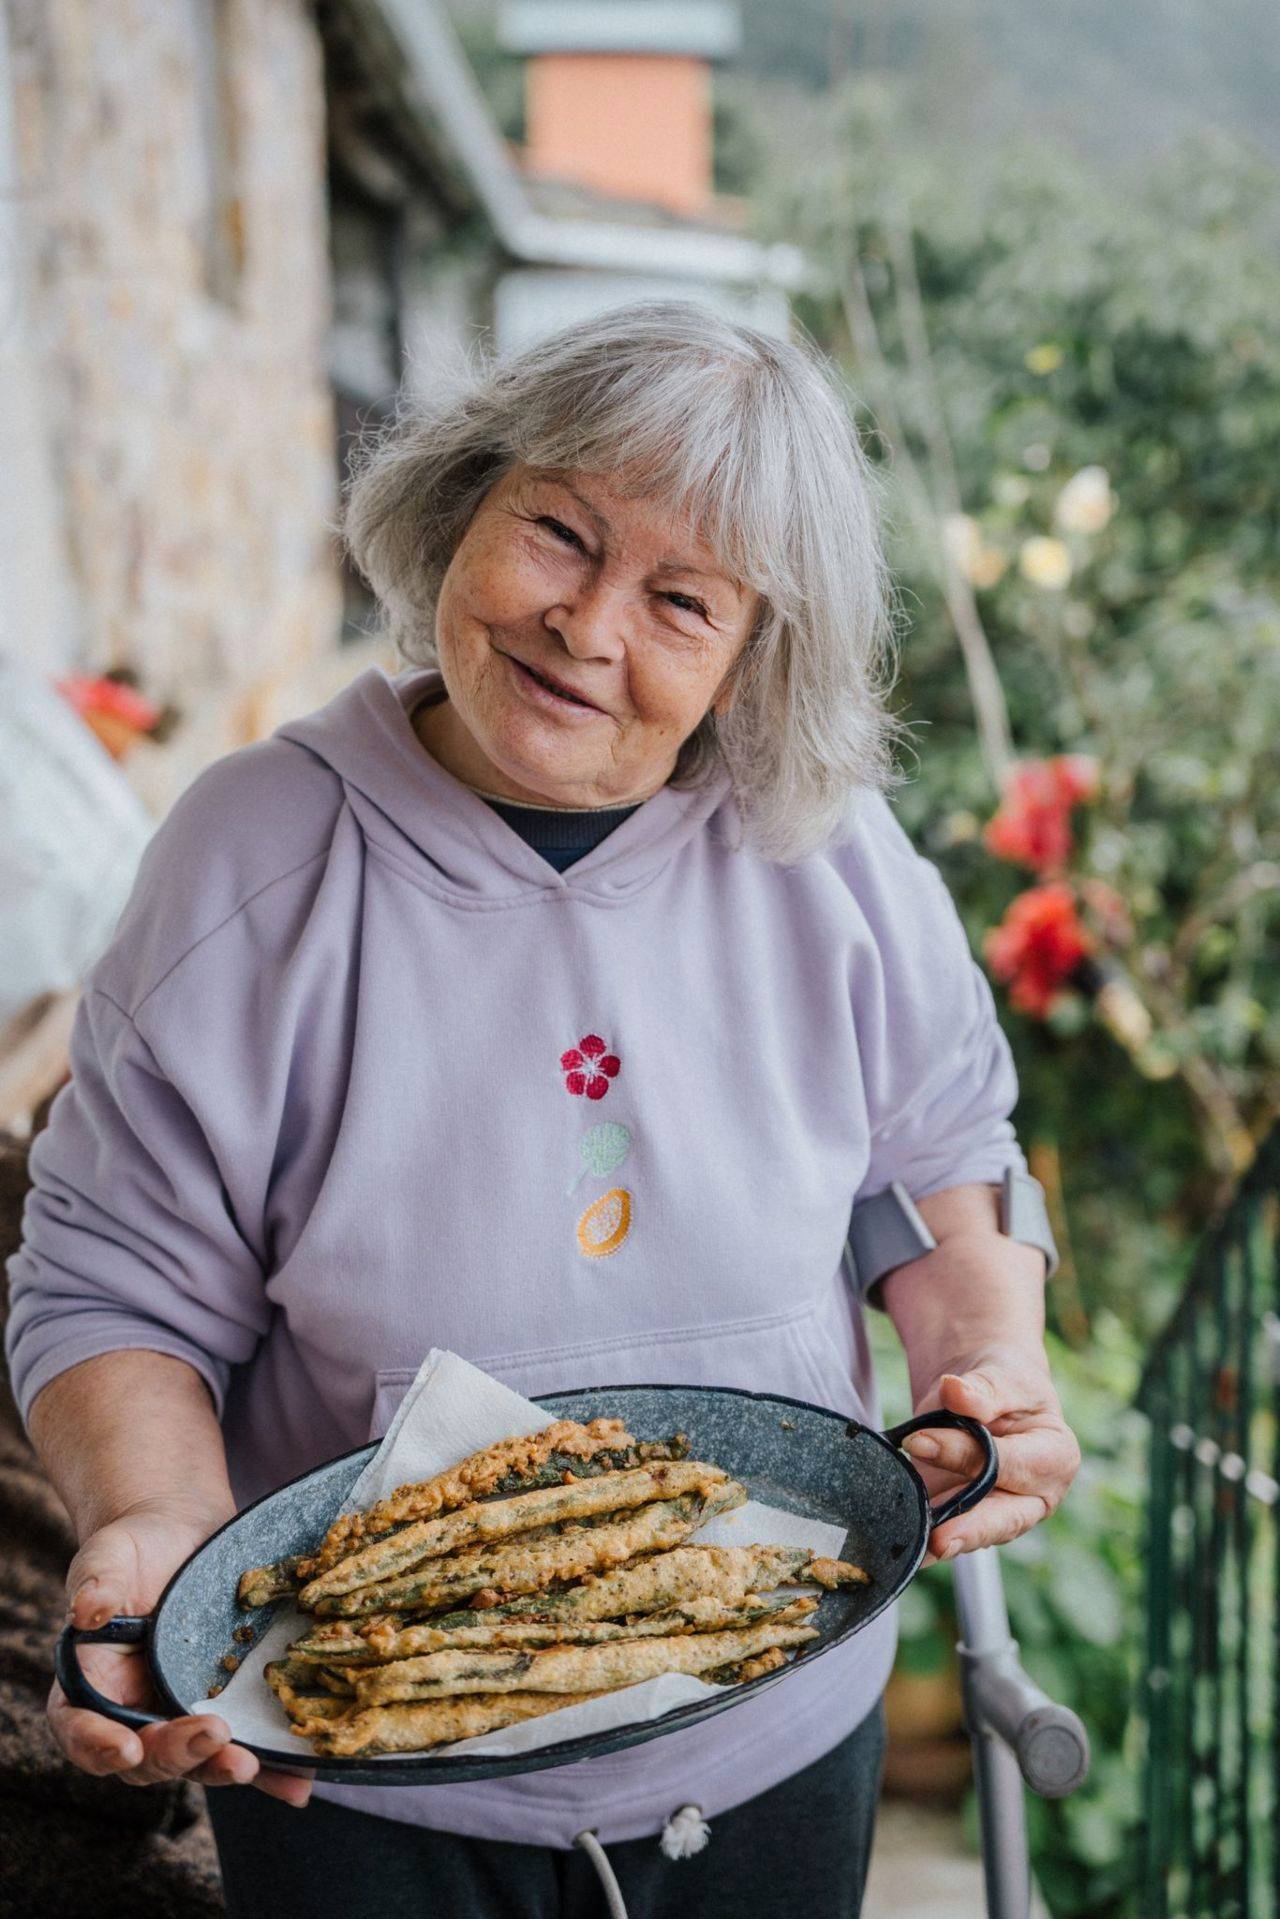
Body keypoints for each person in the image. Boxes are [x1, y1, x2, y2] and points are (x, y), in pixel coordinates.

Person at [4, 301, 1080, 1918]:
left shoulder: (831, 858)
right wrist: (165, 1530)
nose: (587, 626)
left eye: (681, 599)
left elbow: (939, 1167)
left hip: (773, 1713)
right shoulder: (252, 858)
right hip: (361, 1755)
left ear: (752, 654)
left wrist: (983, 1363)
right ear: (463, 502)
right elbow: (115, 1285)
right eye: (560, 533)